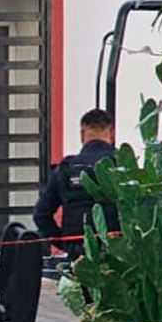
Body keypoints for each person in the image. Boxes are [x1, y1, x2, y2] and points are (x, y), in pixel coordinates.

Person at [34, 108, 119, 260]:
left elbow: (41, 214)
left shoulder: (67, 168)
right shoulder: (122, 165)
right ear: (112, 134)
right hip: (118, 257)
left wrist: (64, 242)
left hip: (78, 258)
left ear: (82, 135)